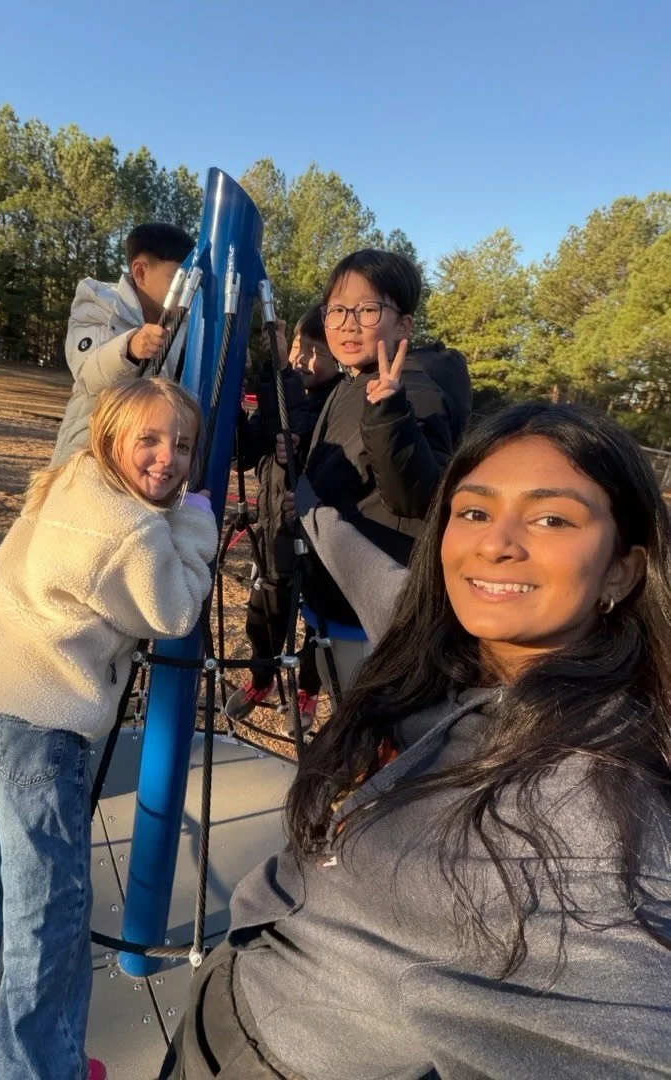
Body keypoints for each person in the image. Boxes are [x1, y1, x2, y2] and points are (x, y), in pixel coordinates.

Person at [161, 402, 671, 1080]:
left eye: (552, 518)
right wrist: (307, 502)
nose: (495, 544)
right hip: (225, 1007)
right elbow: (366, 568)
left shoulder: (593, 810)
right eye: (474, 511)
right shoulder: (446, 646)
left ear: (621, 570)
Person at [0, 377, 218, 1080]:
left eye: (183, 446)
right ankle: (44, 1066)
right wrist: (193, 516)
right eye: (150, 440)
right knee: (52, 912)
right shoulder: (130, 530)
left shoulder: (73, 478)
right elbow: (174, 610)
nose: (167, 459)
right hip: (42, 726)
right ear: (113, 438)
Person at [280, 249, 471, 695]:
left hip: (375, 607)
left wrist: (390, 410)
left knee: (373, 734)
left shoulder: (414, 390)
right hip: (341, 593)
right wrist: (309, 496)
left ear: (404, 324)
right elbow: (358, 477)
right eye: (337, 310)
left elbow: (417, 496)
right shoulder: (353, 380)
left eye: (368, 309)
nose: (348, 323)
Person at [226, 307, 343, 732]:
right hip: (275, 529)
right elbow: (248, 449)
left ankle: (308, 688)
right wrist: (233, 416)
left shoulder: (338, 401)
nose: (303, 359)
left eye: (318, 352)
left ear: (339, 360)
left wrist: (276, 369)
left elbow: (299, 427)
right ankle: (263, 678)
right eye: (299, 347)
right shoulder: (283, 396)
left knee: (316, 617)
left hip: (315, 534)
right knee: (264, 608)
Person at [52, 222, 195, 466]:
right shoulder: (99, 305)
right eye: (180, 278)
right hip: (90, 455)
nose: (188, 289)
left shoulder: (186, 326)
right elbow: (88, 374)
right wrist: (129, 349)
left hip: (148, 463)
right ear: (140, 272)